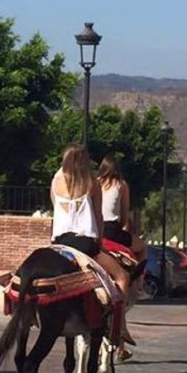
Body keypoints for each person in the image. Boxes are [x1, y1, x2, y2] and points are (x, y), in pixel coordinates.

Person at [51, 145, 133, 344]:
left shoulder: (55, 183)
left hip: (59, 243)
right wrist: (100, 244)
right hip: (84, 244)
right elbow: (98, 219)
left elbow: (55, 209)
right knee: (123, 276)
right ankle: (118, 328)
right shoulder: (92, 183)